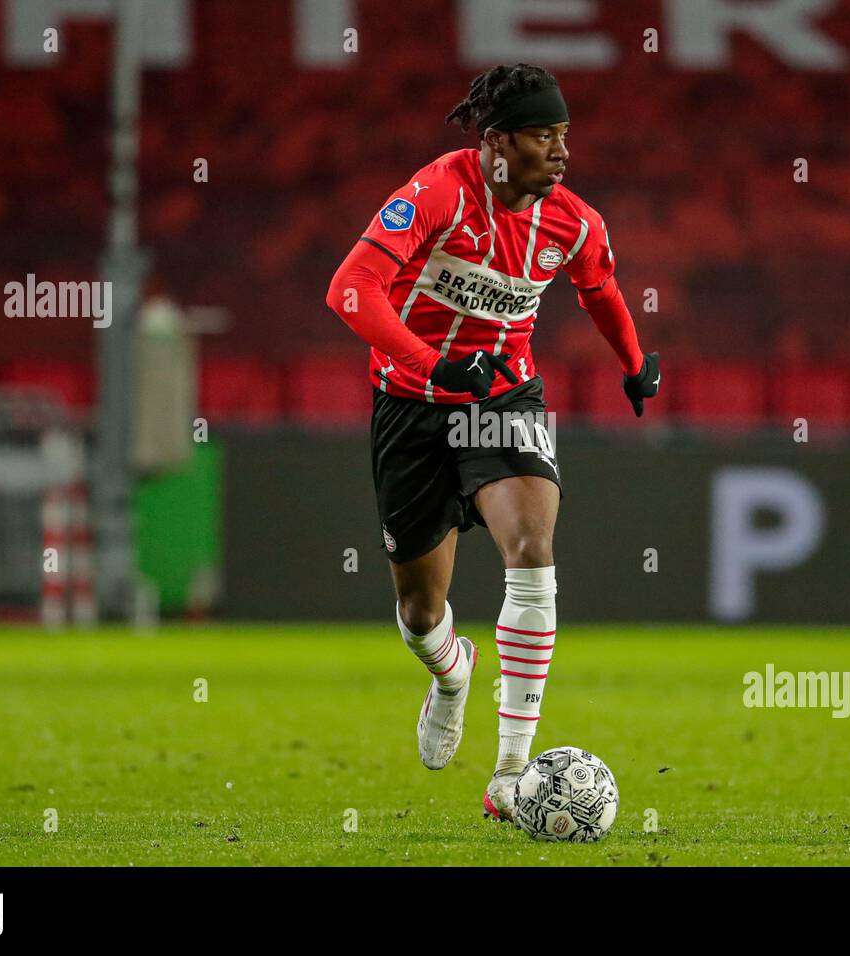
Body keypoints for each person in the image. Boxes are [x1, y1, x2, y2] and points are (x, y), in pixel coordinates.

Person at [324, 63, 660, 822]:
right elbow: (350, 288)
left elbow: (600, 291)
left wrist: (636, 367)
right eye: (546, 135)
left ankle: (511, 777)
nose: (562, 150)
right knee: (418, 611)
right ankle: (451, 676)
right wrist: (433, 363)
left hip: (505, 398)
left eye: (566, 135)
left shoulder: (573, 221)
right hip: (413, 406)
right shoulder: (438, 193)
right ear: (499, 142)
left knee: (532, 551)